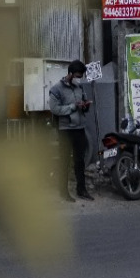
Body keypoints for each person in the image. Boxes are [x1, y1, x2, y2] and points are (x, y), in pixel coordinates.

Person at [49, 60, 93, 201]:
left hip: (80, 128)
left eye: (81, 76)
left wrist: (85, 106)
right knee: (65, 161)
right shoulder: (56, 89)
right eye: (77, 76)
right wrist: (73, 107)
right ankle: (63, 191)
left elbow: (83, 102)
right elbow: (54, 109)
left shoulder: (79, 87)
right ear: (70, 74)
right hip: (66, 130)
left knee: (80, 161)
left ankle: (81, 190)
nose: (79, 78)